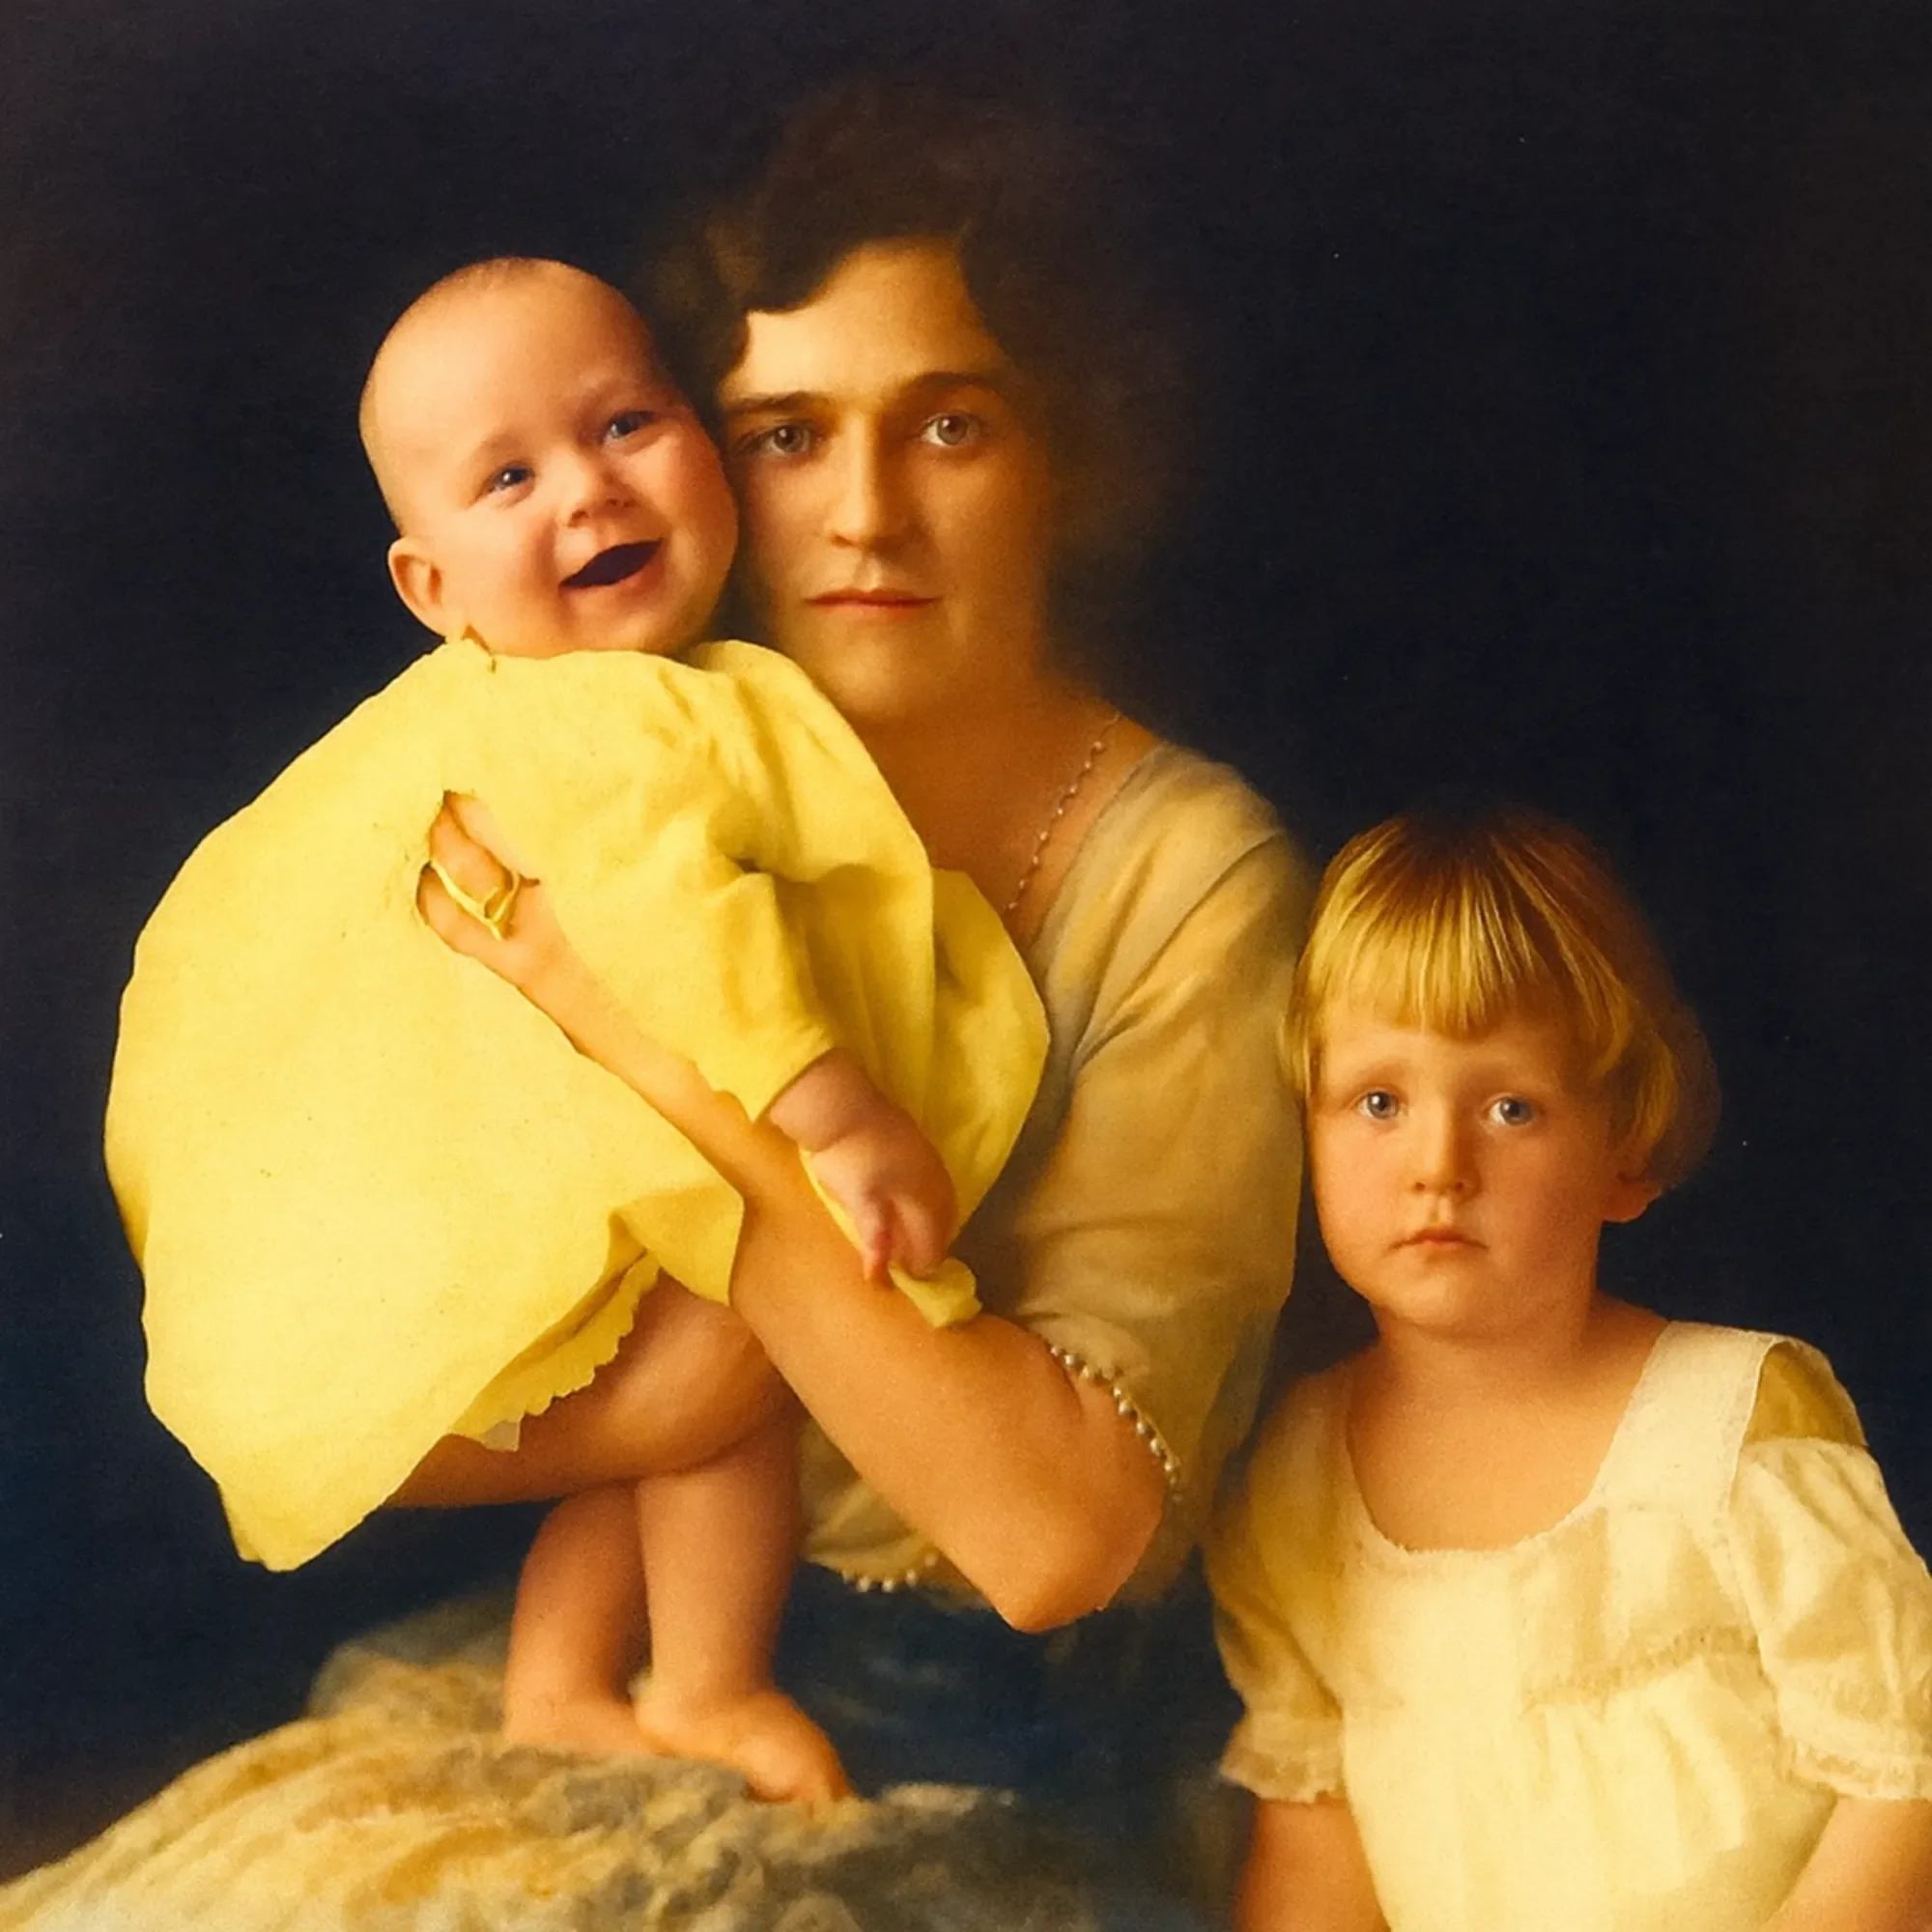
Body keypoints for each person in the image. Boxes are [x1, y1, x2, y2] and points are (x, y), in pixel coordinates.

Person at [3, 78, 1310, 1928]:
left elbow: (1054, 1540)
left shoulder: (1188, 876)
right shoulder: (647, 717)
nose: (862, 511)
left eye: (949, 424)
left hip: (965, 1739)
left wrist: (629, 1039)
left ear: (1071, 454)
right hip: (636, 1637)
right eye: (789, 433)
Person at [106, 256, 1048, 1801]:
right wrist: (834, 1114)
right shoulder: (616, 719)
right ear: (431, 587)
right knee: (727, 1400)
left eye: (626, 426)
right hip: (516, 1189)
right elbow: (690, 926)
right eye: (510, 477)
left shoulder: (493, 705)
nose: (589, 496)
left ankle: (554, 1681)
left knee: (665, 1412)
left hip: (473, 1191)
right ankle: (705, 1684)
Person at [1208, 801, 1932, 1931]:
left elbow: (1905, 1779)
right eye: (1378, 1101)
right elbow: (1316, 1850)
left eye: (1509, 1106)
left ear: (1623, 1145)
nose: (1436, 1164)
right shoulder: (1296, 1480)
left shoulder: (1728, 1426)